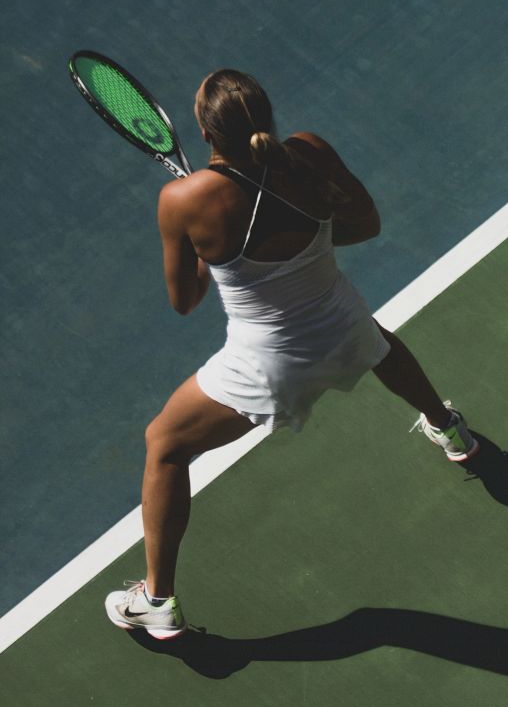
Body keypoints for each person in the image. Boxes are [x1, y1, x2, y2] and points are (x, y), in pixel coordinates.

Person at [105, 68, 478, 641]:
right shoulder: (308, 151)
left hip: (268, 367)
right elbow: (366, 224)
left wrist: (213, 256)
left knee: (164, 444)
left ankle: (157, 600)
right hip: (343, 322)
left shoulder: (183, 198)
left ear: (205, 131)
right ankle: (450, 429)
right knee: (374, 341)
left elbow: (185, 301)